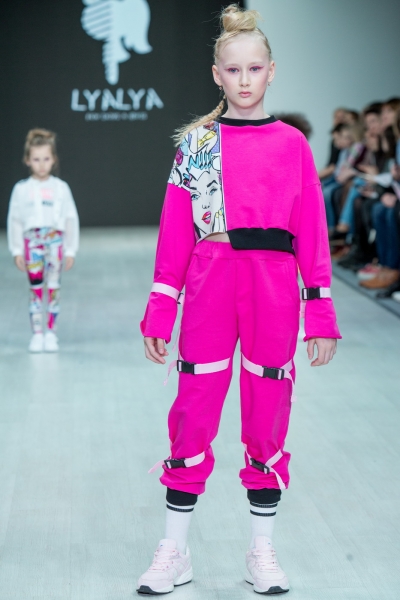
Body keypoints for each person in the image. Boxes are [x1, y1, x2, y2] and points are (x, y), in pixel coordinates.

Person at [138, 4, 341, 596]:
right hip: (211, 280)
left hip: (273, 285)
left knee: (268, 405)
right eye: (234, 69)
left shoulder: (292, 144)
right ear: (216, 74)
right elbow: (175, 232)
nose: (245, 79)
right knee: (194, 404)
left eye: (255, 68)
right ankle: (174, 550)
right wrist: (161, 308)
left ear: (271, 71)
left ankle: (262, 550)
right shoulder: (198, 143)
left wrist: (320, 313)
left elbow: (313, 231)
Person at [7, 129, 79, 353]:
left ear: (53, 159)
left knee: (54, 287)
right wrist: (17, 250)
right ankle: (37, 333)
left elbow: (70, 218)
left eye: (46, 159)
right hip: (32, 245)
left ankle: (51, 333)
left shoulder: (61, 188)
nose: (41, 164)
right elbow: (15, 220)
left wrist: (71, 250)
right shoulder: (21, 189)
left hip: (56, 243)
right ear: (27, 160)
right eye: (36, 159)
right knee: (35, 288)